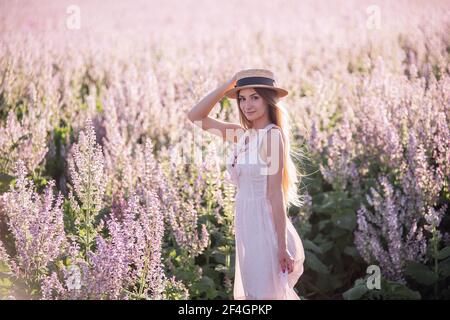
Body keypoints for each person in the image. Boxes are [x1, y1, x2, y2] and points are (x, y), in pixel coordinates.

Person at [187, 68, 305, 300]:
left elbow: (274, 195)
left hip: (264, 224)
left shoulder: (272, 136)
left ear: (268, 100)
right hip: (246, 221)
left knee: (266, 294)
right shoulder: (243, 135)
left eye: (255, 97)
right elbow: (196, 117)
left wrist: (281, 246)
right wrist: (228, 85)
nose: (247, 105)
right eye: (242, 98)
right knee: (254, 293)